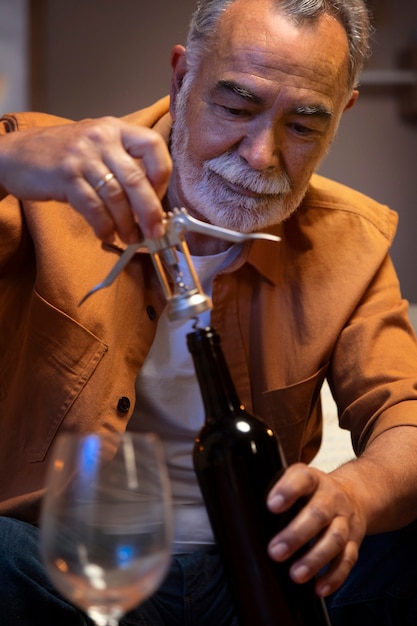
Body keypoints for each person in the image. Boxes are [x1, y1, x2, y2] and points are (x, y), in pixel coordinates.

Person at [1, 0, 417, 624]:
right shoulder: (39, 176)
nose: (260, 156)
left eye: (303, 126)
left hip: (258, 570)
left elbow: (404, 418)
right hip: (65, 573)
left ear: (342, 115)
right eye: (236, 107)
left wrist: (354, 496)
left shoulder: (352, 243)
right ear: (181, 76)